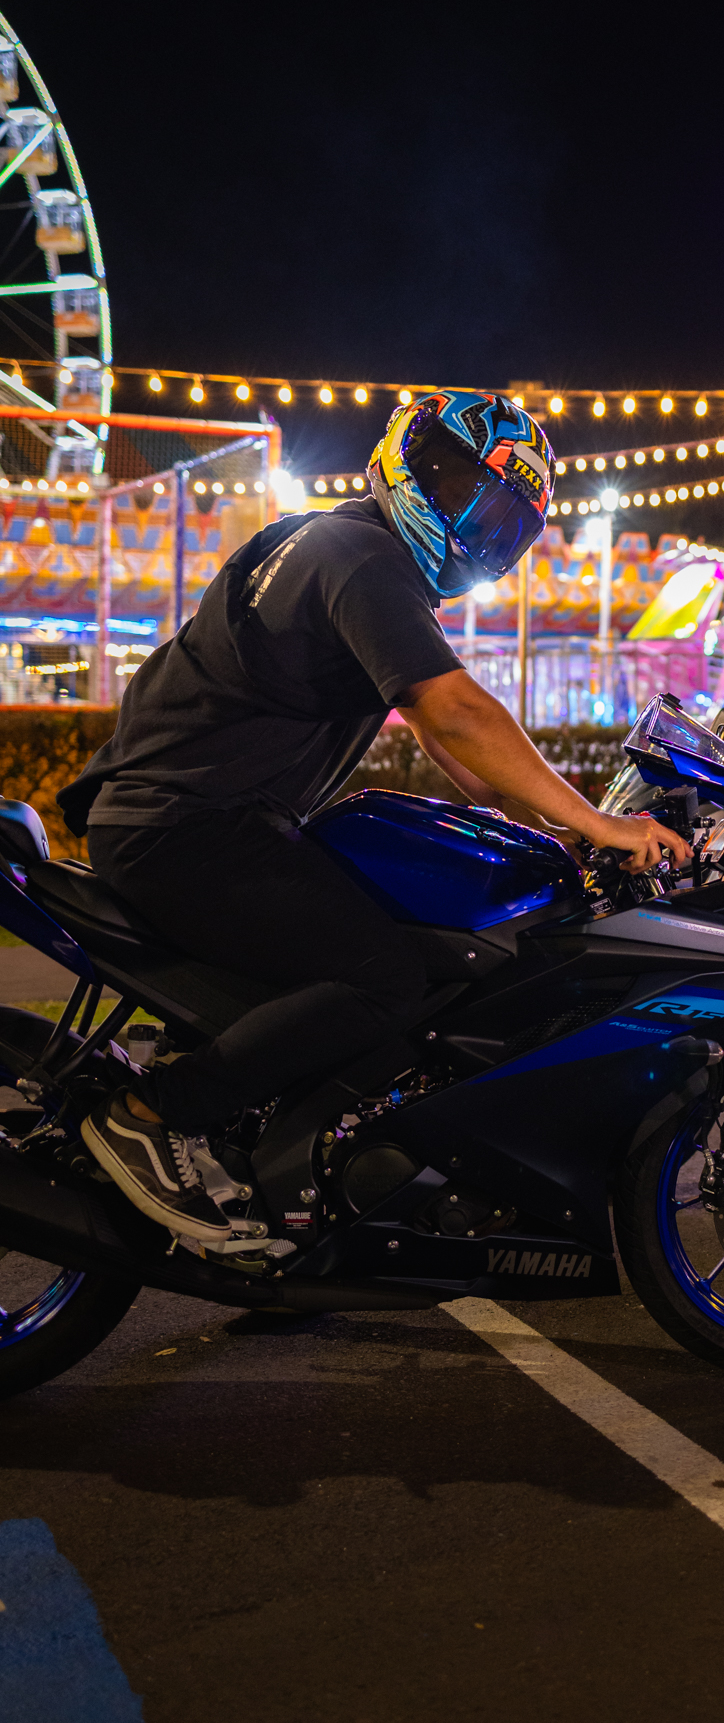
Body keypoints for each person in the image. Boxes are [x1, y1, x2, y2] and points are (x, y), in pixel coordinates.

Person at [62, 390, 689, 1243]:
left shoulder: (335, 543)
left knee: (406, 940)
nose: (479, 529)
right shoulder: (363, 558)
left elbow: (453, 749)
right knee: (381, 977)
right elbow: (455, 712)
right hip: (187, 826)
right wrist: (604, 823)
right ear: (414, 464)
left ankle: (290, 1161)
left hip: (187, 819)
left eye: (504, 522)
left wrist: (562, 831)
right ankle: (154, 1113)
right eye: (470, 496)